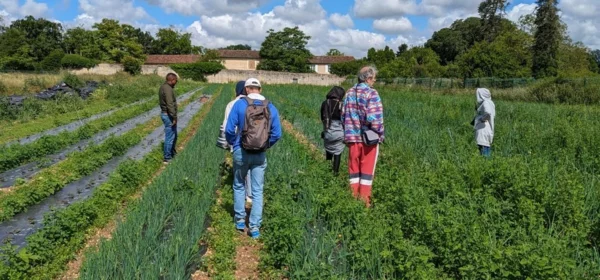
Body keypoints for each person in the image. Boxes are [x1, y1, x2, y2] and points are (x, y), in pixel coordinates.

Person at [225, 78, 282, 239]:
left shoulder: (240, 104)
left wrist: (234, 144)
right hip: (260, 154)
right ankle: (255, 227)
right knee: (257, 190)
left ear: (247, 89)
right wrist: (265, 145)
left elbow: (229, 129)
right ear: (260, 89)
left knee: (238, 185)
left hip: (241, 151)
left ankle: (240, 221)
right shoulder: (270, 107)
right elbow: (277, 133)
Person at [341, 66, 384, 207]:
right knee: (366, 174)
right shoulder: (372, 93)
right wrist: (380, 135)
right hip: (368, 141)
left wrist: (347, 133)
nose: (374, 81)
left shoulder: (349, 93)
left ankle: (353, 200)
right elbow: (375, 119)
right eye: (373, 78)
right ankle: (364, 203)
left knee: (354, 171)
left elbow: (343, 115)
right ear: (368, 78)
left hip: (352, 139)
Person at [221, 81, 253, 203]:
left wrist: (231, 142)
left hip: (238, 142)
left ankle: (241, 198)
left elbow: (226, 127)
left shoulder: (232, 104)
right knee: (250, 168)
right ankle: (250, 196)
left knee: (239, 170)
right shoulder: (253, 103)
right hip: (254, 142)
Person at [320, 86, 345, 175]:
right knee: (338, 152)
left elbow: (322, 118)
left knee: (329, 150)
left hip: (328, 130)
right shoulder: (342, 105)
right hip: (340, 132)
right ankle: (335, 173)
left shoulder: (325, 103)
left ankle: (327, 171)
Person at [159, 73, 178, 164]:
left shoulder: (165, 87)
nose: (176, 82)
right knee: (170, 137)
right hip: (168, 115)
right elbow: (170, 104)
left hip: (167, 114)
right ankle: (167, 158)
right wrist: (174, 117)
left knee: (174, 135)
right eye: (176, 80)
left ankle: (172, 153)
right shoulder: (167, 89)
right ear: (172, 80)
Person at [473, 88, 495, 157]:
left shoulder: (486, 102)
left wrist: (481, 119)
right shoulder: (489, 102)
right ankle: (486, 164)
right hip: (485, 129)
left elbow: (488, 114)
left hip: (484, 129)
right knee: (484, 148)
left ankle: (486, 165)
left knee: (484, 150)